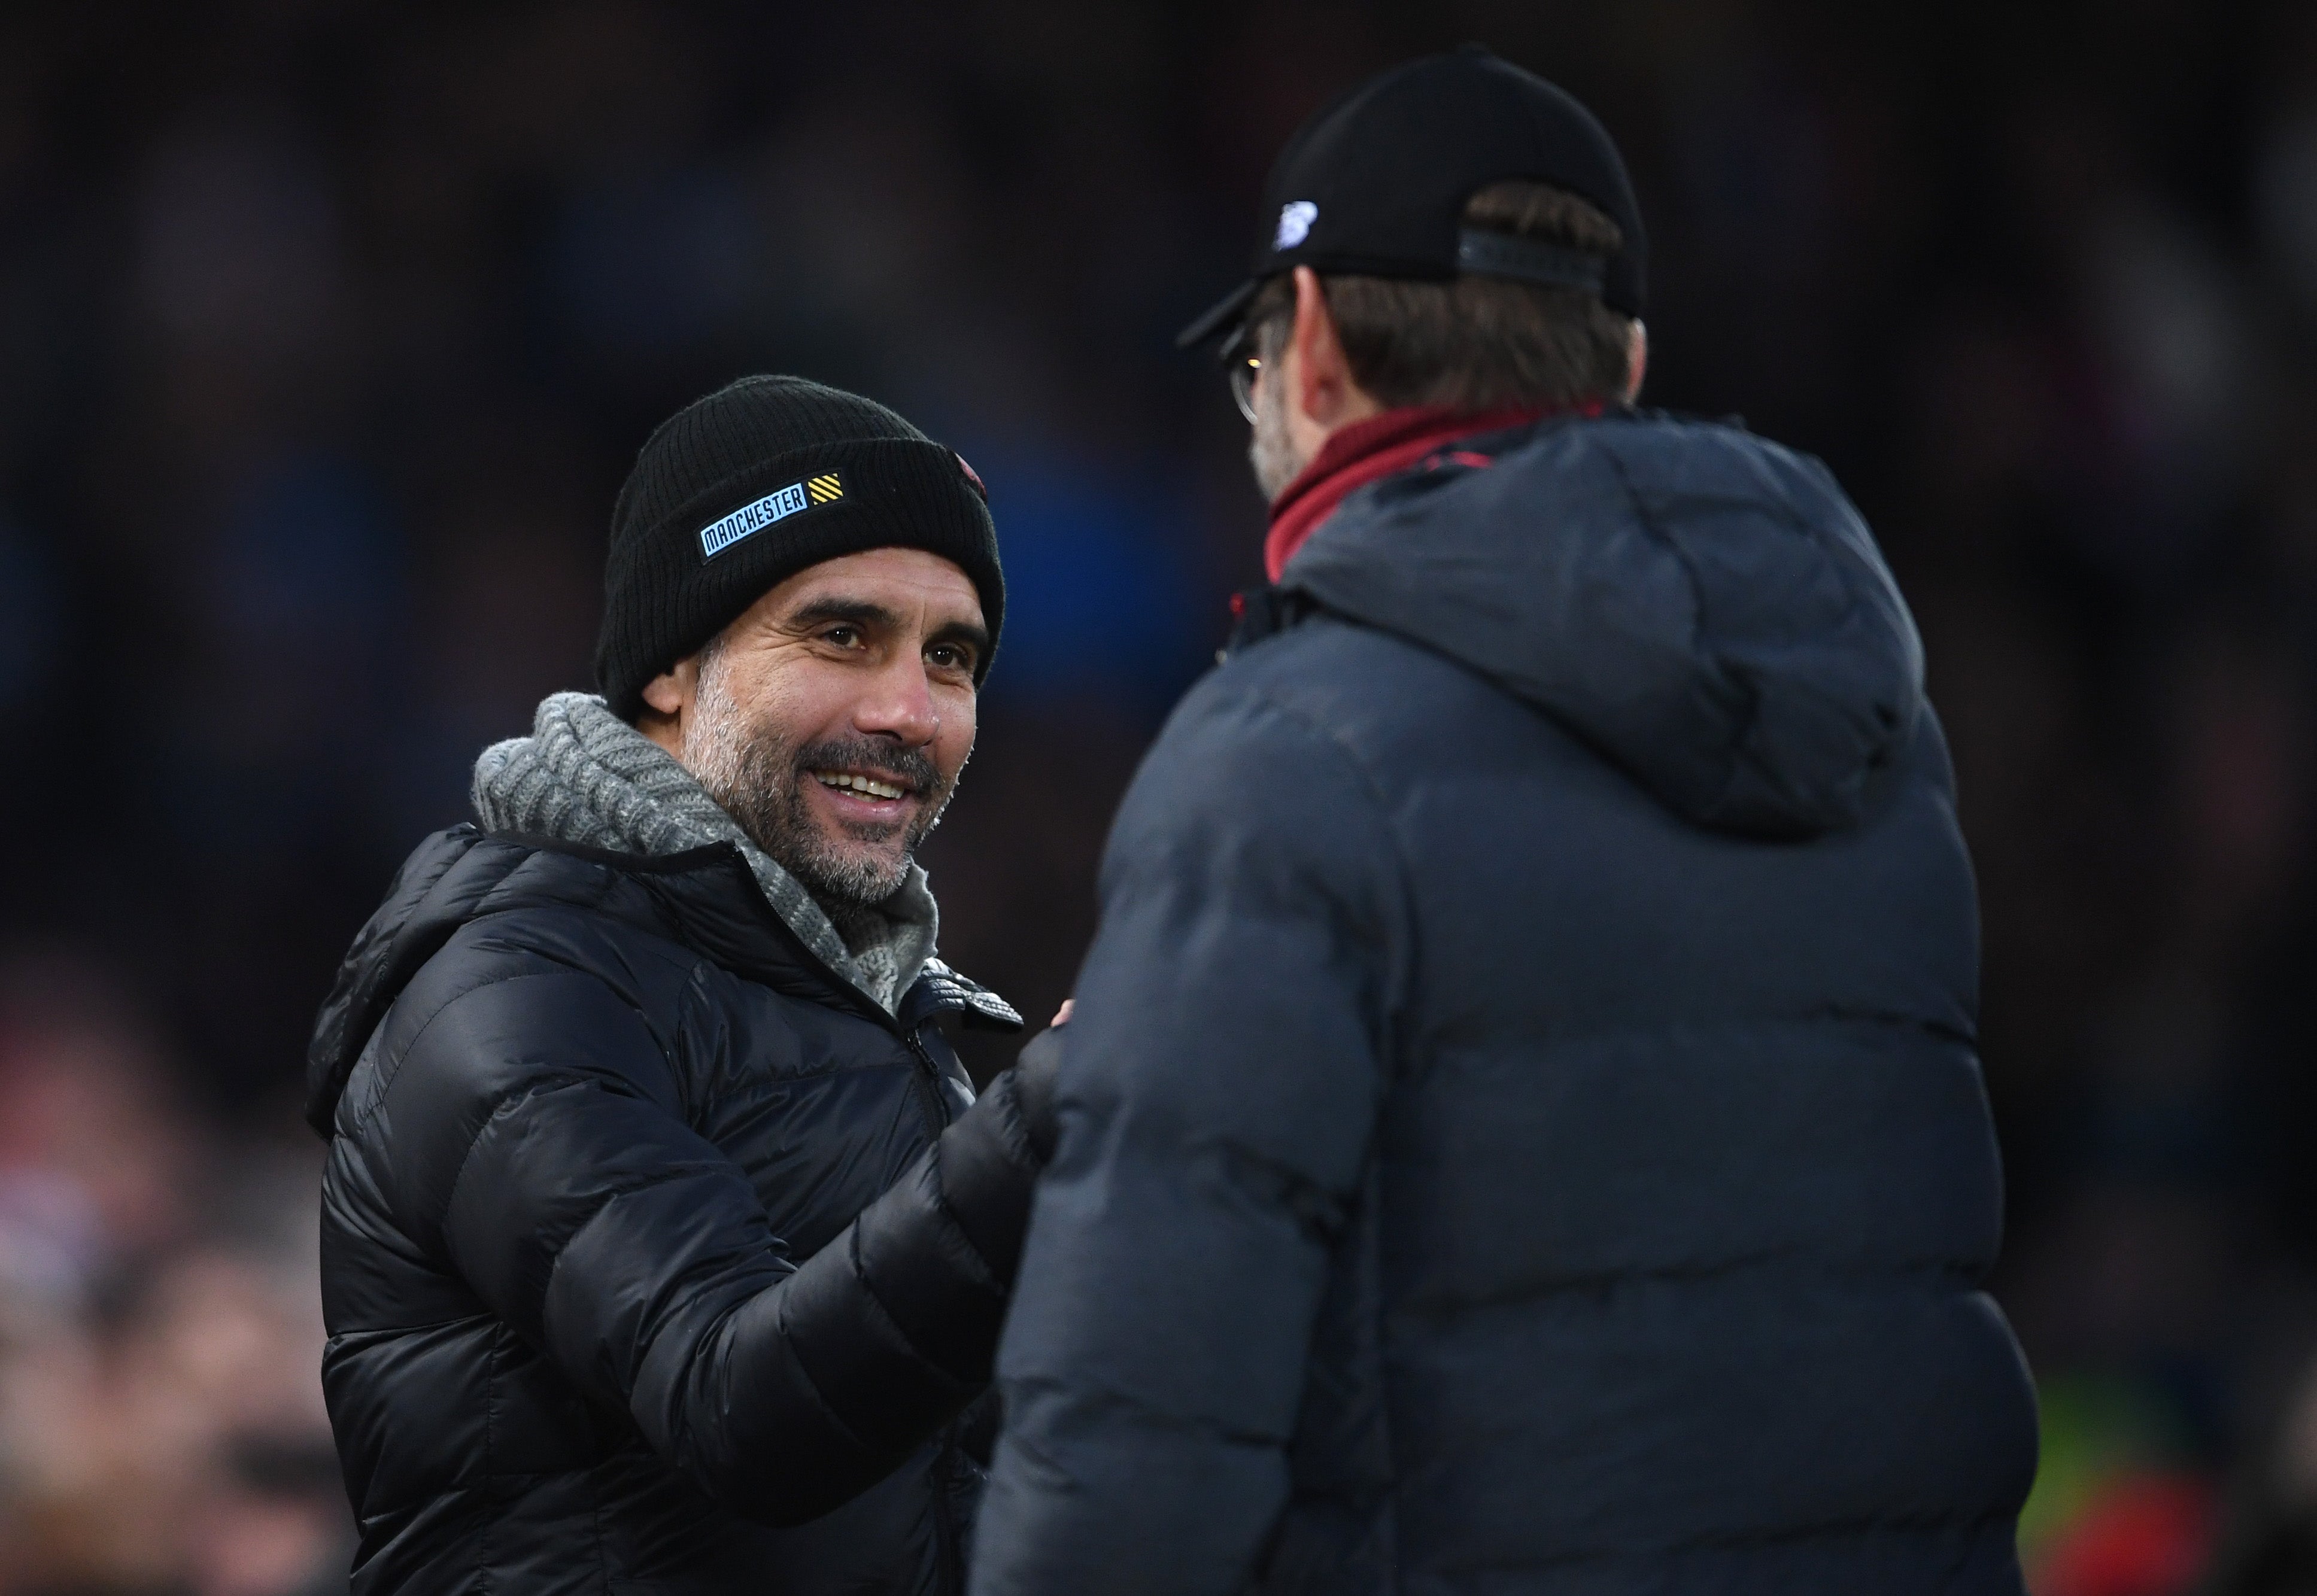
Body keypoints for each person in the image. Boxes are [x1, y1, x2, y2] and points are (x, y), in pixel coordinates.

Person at [971, 47, 2040, 1596]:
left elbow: (1135, 1447)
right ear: (1617, 359)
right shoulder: (1873, 736)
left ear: (1315, 343)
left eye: (1251, 360)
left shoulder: (1284, 754)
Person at [307, 377, 1061, 1596]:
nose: (909, 711)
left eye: (951, 656)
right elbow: (738, 1406)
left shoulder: (870, 1001)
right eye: (840, 634)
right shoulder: (515, 984)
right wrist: (1045, 1132)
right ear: (669, 667)